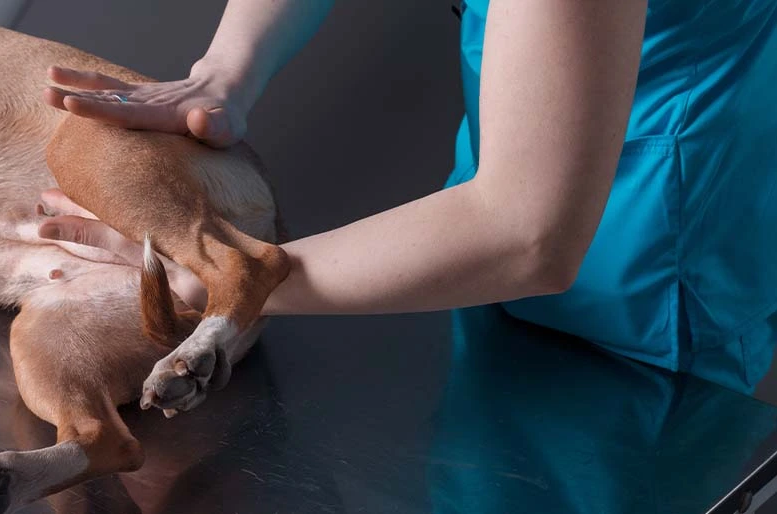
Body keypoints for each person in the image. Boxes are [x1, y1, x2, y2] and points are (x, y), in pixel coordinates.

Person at [39, 0, 777, 392]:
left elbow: (526, 237)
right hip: (492, 237)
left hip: (654, 277)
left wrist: (213, 282)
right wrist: (228, 68)